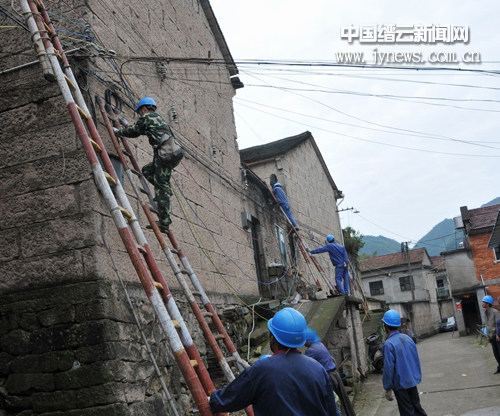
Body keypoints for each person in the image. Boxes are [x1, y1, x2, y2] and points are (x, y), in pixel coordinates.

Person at [209, 308, 340, 416]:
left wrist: (213, 400)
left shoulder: (262, 369)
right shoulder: (318, 368)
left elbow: (231, 398)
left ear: (272, 338)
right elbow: (333, 411)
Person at [114, 97, 183, 232]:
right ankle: (165, 189)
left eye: (140, 112)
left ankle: (164, 221)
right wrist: (129, 127)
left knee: (160, 186)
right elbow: (142, 130)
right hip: (174, 153)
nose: (140, 114)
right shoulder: (159, 119)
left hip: (165, 155)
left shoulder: (146, 117)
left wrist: (118, 131)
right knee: (146, 171)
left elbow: (134, 132)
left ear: (144, 108)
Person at [381, 310, 427, 416]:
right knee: (417, 408)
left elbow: (389, 367)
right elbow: (414, 359)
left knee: (407, 412)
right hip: (412, 380)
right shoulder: (408, 338)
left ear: (385, 325)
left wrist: (388, 386)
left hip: (400, 384)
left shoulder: (388, 344)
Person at [305, 328, 356, 416]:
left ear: (308, 341)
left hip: (328, 377)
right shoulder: (320, 344)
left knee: (333, 402)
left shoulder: (311, 351)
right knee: (343, 400)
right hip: (334, 375)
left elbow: (305, 366)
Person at [482, 295, 500, 374]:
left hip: (497, 337)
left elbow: (498, 324)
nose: (482, 303)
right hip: (491, 337)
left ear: (488, 304)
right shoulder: (485, 313)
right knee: (496, 354)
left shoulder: (495, 312)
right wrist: (488, 337)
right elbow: (487, 325)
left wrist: (498, 335)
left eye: (483, 302)